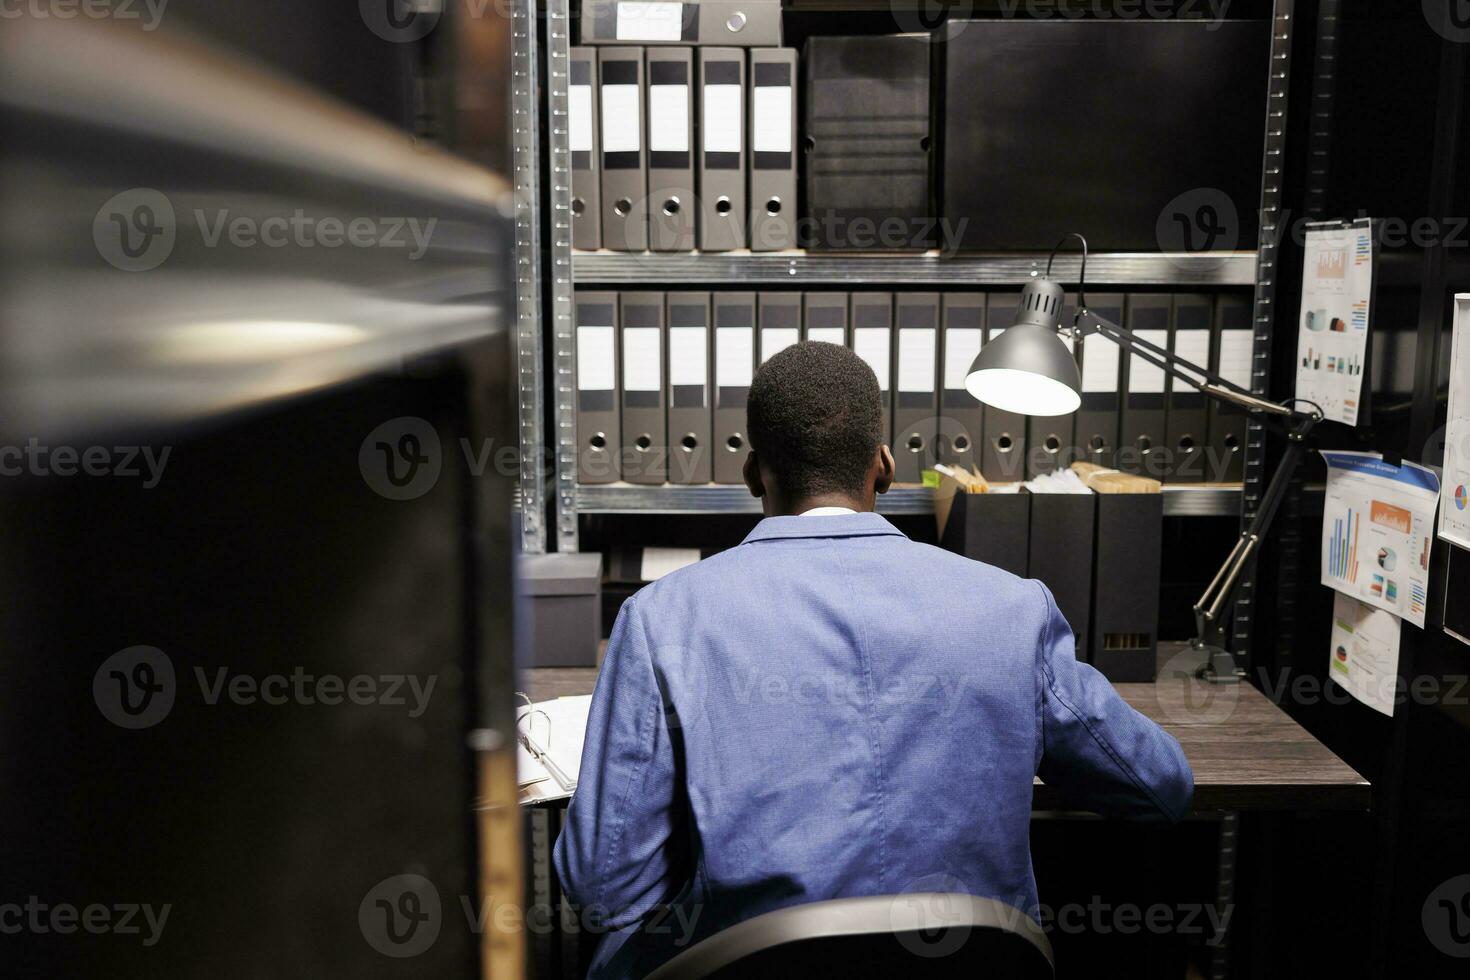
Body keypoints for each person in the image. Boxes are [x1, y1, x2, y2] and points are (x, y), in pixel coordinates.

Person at [554, 341, 1194, 977]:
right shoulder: (1013, 608)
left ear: (753, 476)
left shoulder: (663, 619)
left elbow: (603, 889)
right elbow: (1161, 787)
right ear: (885, 468)